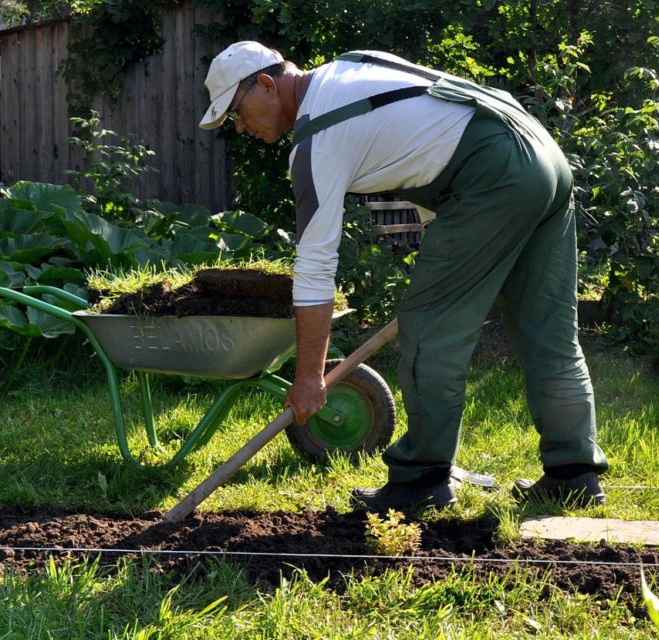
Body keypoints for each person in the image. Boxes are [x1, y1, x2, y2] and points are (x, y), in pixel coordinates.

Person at [200, 40, 609, 512]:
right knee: (547, 331)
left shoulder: (317, 139)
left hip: (492, 174)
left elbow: (315, 268)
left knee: (429, 331)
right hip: (541, 154)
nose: (242, 127)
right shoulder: (349, 69)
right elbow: (427, 139)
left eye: (237, 113)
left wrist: (310, 376)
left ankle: (421, 481)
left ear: (267, 85)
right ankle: (574, 474)